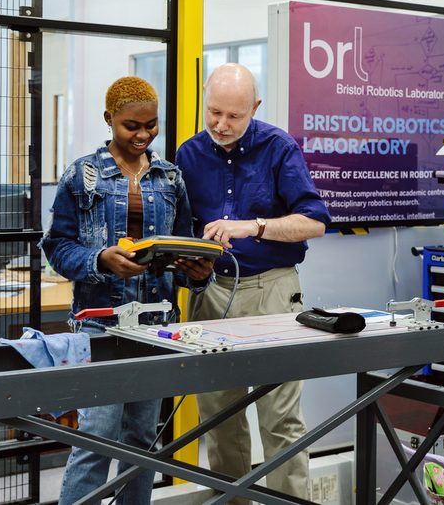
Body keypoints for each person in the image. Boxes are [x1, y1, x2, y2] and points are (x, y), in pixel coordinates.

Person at [42, 76, 213, 505]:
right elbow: (57, 248)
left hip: (157, 326)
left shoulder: (170, 178)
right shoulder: (81, 176)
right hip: (100, 323)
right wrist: (99, 260)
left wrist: (197, 271)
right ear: (109, 120)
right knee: (97, 436)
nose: (142, 135)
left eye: (151, 125)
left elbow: (182, 244)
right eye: (131, 126)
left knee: (141, 439)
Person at [175, 63, 330, 503]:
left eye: (234, 116)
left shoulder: (279, 148)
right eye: (213, 113)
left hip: (273, 291)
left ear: (255, 109)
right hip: (211, 294)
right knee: (219, 415)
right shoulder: (187, 156)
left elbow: (315, 223)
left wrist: (253, 227)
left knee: (279, 417)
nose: (221, 125)